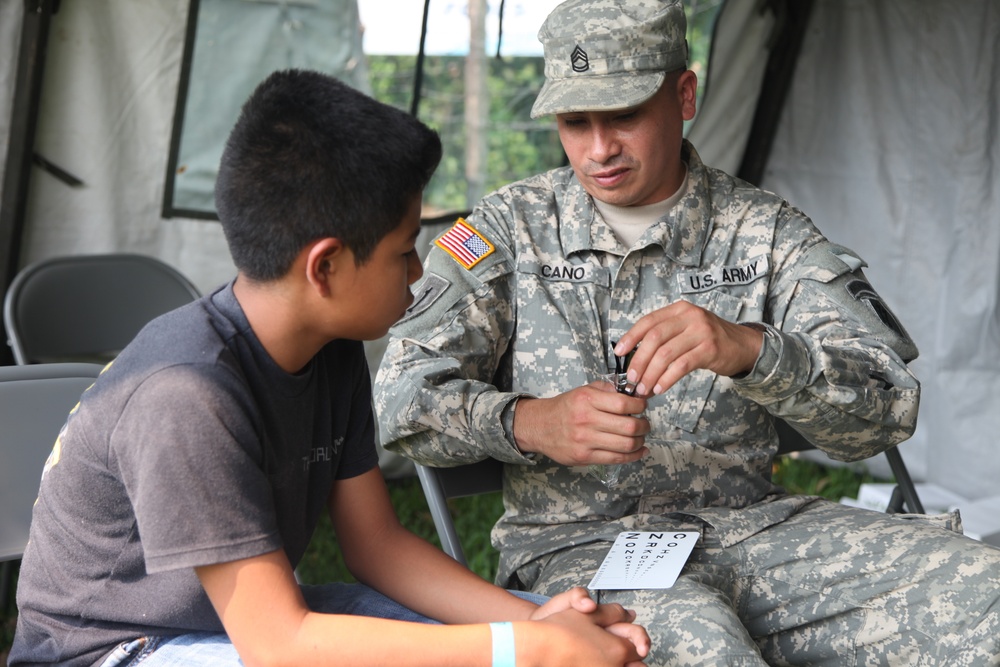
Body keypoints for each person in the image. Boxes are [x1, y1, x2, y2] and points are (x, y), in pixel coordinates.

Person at [374, 1, 1000, 665]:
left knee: (986, 596)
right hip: (586, 552)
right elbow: (399, 399)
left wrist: (753, 351)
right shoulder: (507, 231)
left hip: (757, 531)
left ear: (685, 94)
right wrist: (532, 422)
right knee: (705, 649)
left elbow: (888, 406)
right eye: (574, 121)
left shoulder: (765, 231)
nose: (598, 148)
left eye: (622, 115)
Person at [8, 69, 651, 667]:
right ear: (326, 268)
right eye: (404, 252)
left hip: (244, 629)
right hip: (117, 651)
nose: (420, 272)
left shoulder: (329, 347)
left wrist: (533, 622)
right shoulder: (184, 394)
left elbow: (378, 547)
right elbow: (281, 646)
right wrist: (527, 649)